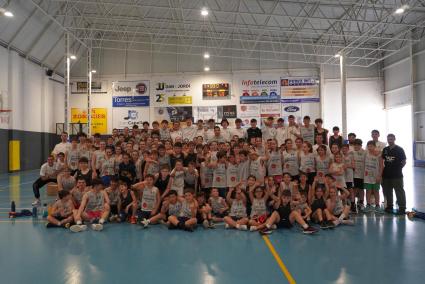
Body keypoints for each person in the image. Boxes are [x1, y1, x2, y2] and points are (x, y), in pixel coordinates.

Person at [382, 134, 407, 214]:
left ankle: (402, 207)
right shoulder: (385, 149)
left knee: (399, 191)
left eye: (391, 139)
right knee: (387, 191)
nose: (390, 140)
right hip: (386, 174)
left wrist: (398, 169)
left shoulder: (400, 149)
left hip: (397, 175)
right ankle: (389, 206)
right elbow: (382, 161)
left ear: (394, 139)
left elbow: (404, 161)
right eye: (388, 139)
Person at [363, 141, 383, 213]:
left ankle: (377, 205)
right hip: (367, 176)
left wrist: (379, 176)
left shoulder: (379, 155)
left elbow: (381, 166)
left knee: (376, 191)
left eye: (371, 146)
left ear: (375, 146)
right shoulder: (366, 153)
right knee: (368, 191)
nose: (370, 147)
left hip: (375, 176)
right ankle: (368, 205)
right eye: (368, 146)